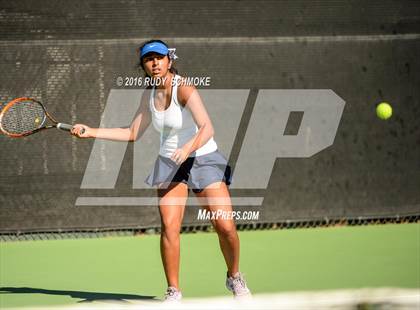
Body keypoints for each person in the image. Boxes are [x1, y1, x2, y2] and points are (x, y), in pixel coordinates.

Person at [71, 39, 251, 302]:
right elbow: (132, 133)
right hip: (170, 164)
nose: (154, 63)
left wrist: (187, 148)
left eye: (159, 58)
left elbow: (207, 128)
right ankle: (174, 291)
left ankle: (234, 277)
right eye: (148, 59)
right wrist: (92, 132)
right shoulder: (148, 96)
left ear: (169, 60)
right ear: (143, 65)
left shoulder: (184, 87)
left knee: (224, 226)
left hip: (203, 158)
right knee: (169, 226)